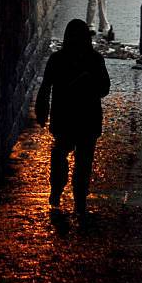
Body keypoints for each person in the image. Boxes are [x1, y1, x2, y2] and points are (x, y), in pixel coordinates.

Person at [35, 19, 111, 217]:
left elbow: (45, 88)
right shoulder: (95, 59)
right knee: (84, 163)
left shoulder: (57, 59)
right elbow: (104, 89)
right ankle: (79, 202)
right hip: (88, 120)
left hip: (64, 119)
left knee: (60, 154)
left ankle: (57, 191)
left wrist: (42, 110)